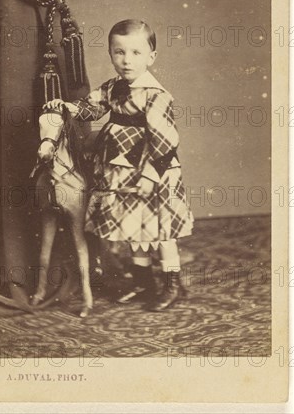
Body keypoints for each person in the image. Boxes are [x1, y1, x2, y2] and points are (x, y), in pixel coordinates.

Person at [44, 19, 194, 311]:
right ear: (111, 54)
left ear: (151, 57)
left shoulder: (156, 95)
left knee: (161, 229)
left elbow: (166, 141)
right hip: (120, 171)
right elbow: (92, 107)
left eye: (136, 53)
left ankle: (171, 284)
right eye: (119, 52)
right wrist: (68, 108)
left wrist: (151, 175)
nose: (126, 60)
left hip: (153, 171)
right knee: (134, 227)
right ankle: (143, 282)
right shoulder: (113, 87)